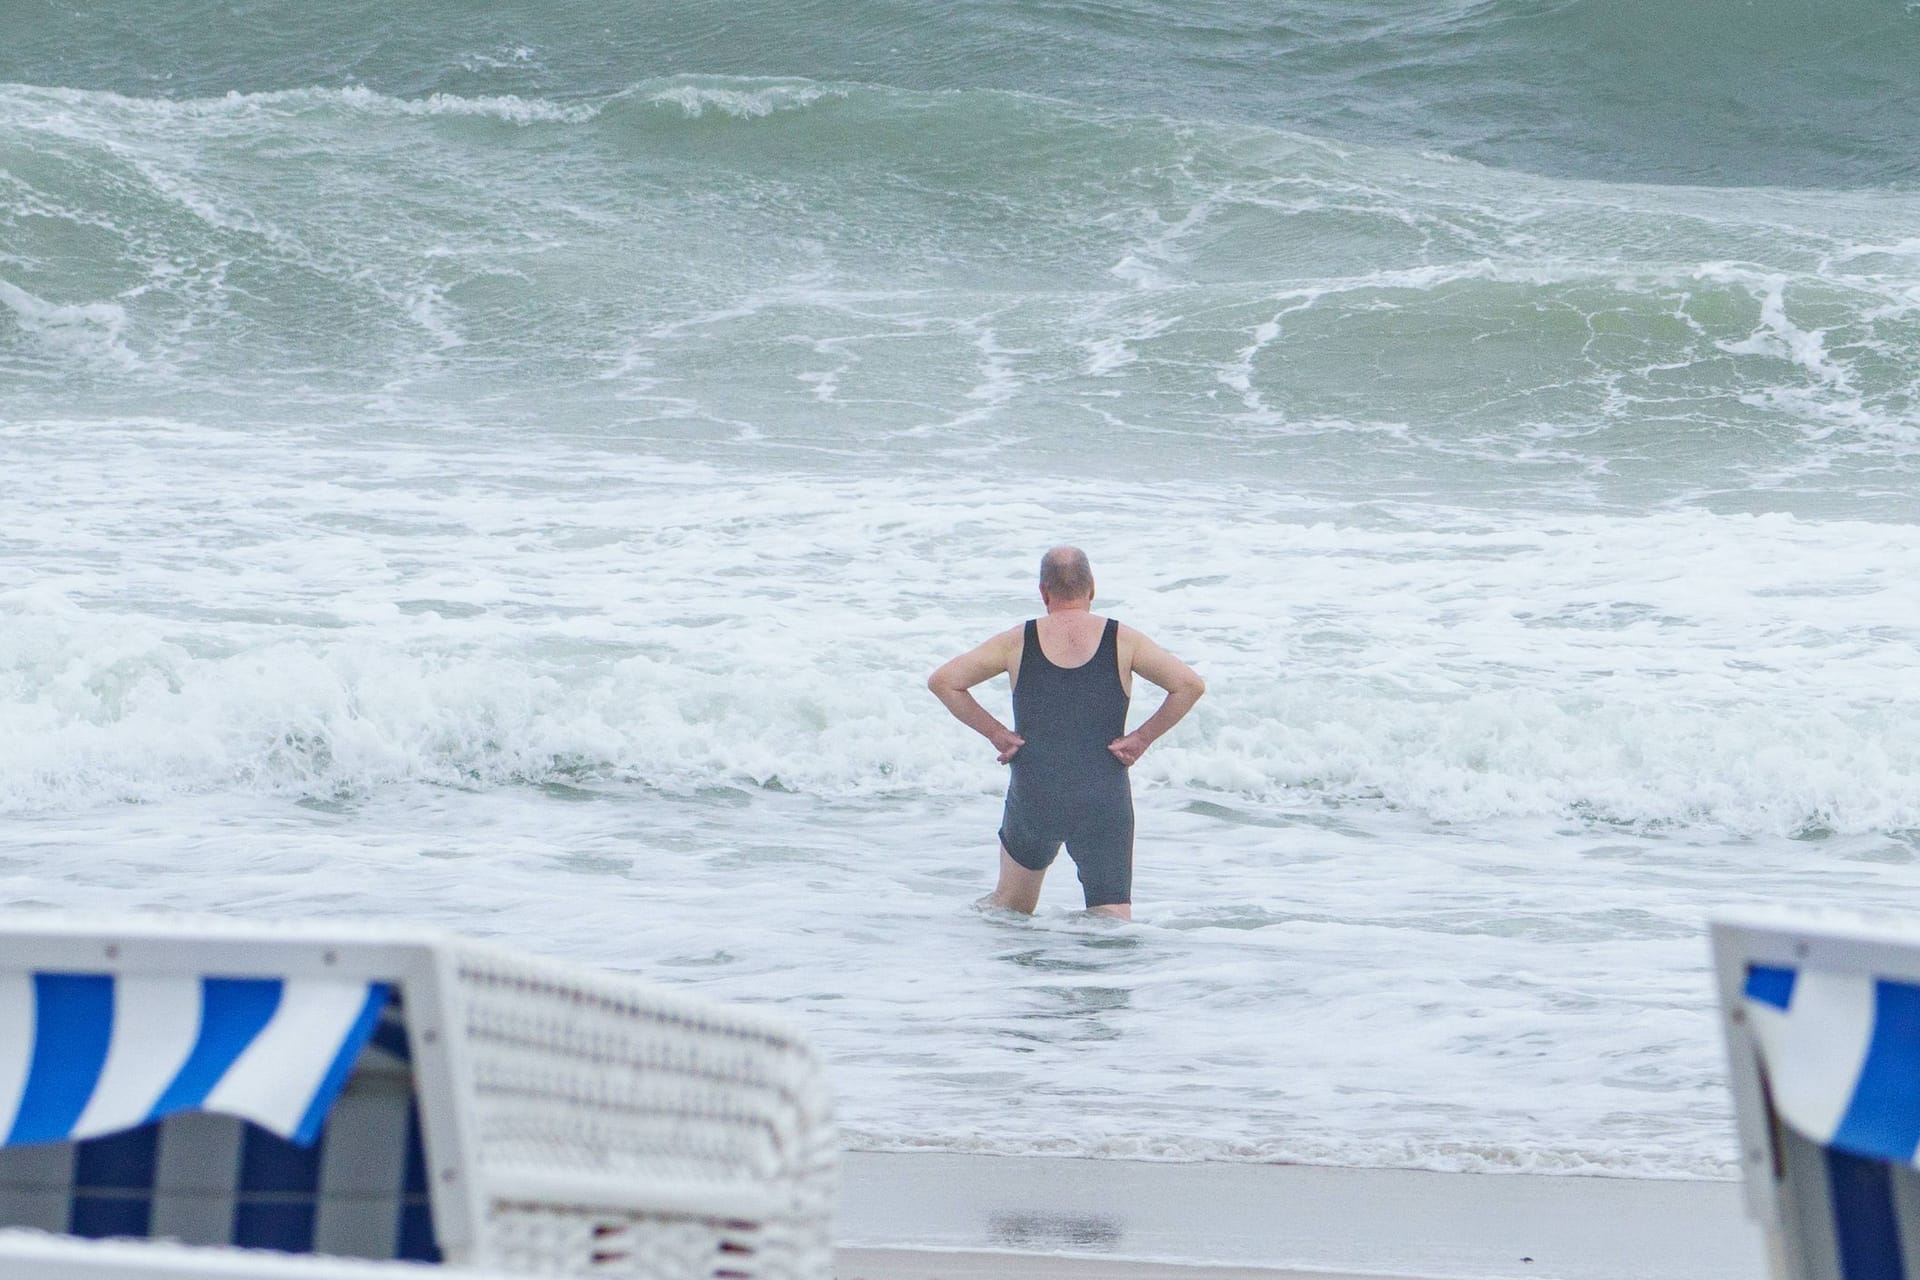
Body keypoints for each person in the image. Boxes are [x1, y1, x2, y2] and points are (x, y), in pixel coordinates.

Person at [927, 547, 1205, 920]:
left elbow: (944, 681)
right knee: (1111, 921)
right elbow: (1189, 685)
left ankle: (996, 973)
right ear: (1092, 590)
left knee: (1010, 911)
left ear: (1044, 593)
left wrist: (996, 733)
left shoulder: (1017, 641)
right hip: (1102, 796)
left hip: (1036, 792)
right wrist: (1140, 739)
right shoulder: (1123, 640)